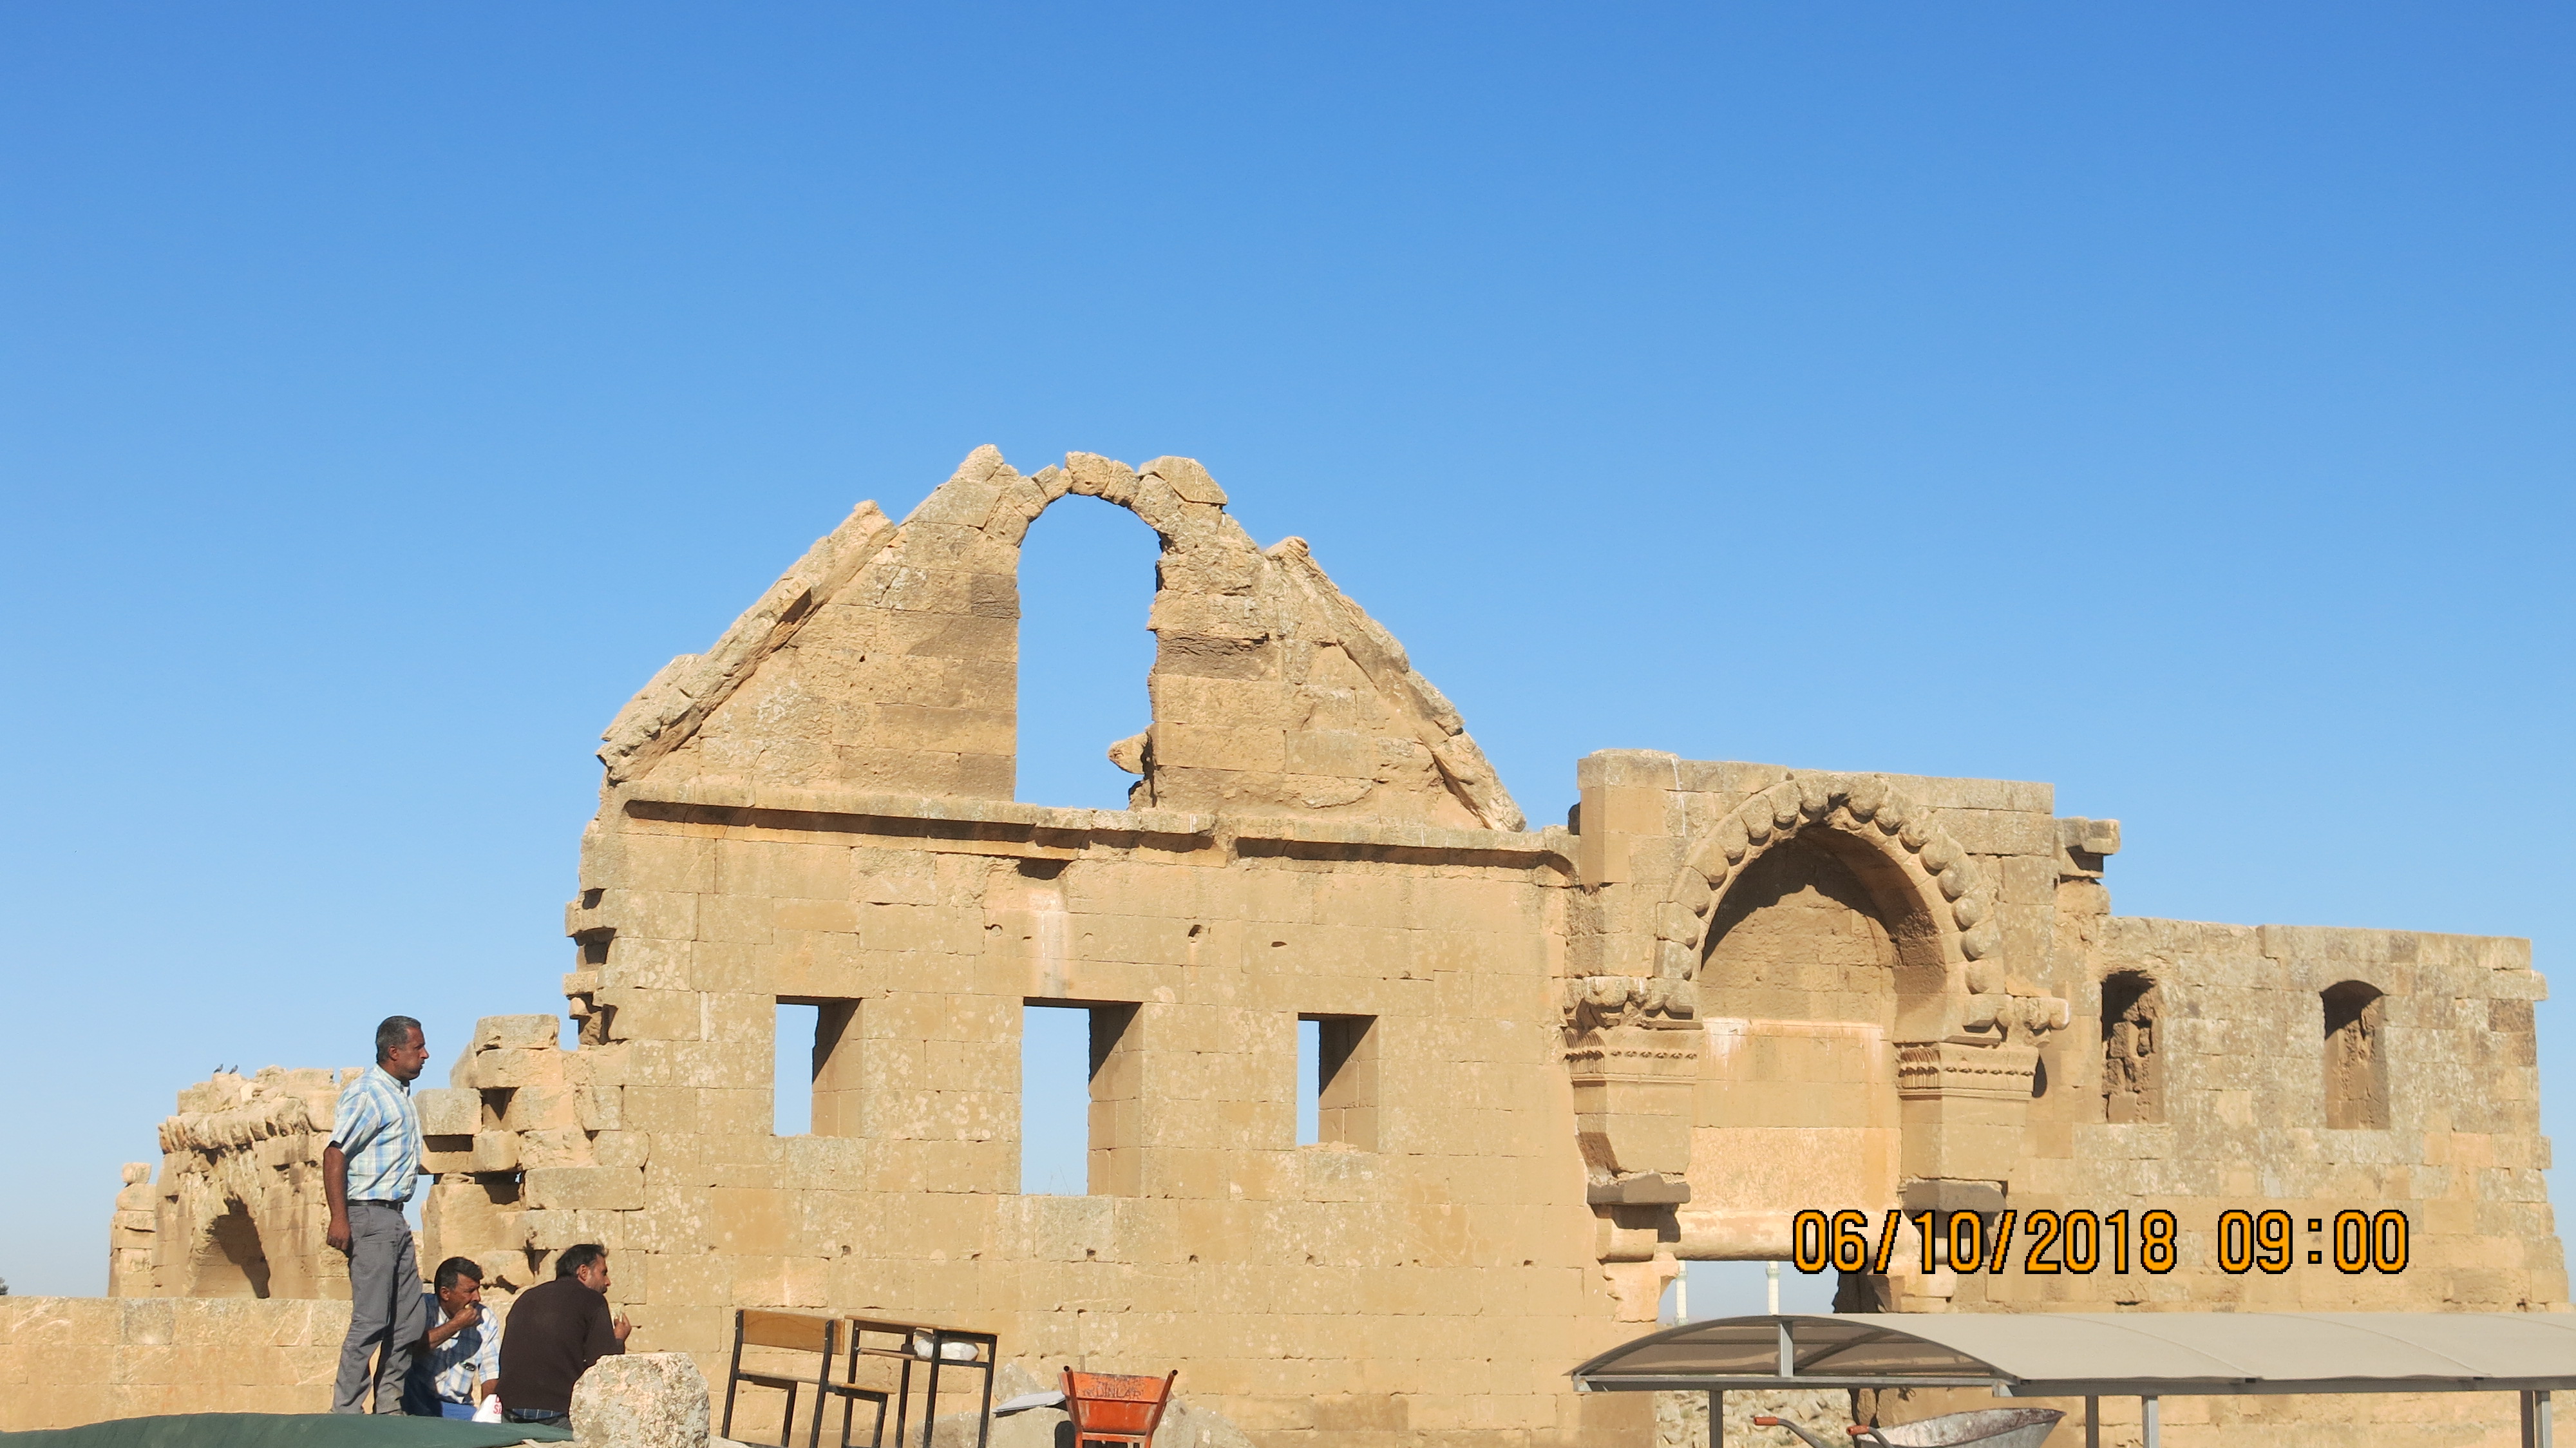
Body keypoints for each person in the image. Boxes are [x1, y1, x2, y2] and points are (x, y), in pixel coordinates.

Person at [325, 1015, 430, 1414]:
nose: (425, 1054)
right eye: (418, 1047)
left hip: (395, 1217)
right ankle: (346, 1413)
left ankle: (389, 1407)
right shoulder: (369, 1093)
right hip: (369, 1214)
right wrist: (341, 1217)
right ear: (394, 1051)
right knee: (370, 1321)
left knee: (409, 1320)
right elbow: (335, 1153)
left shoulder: (399, 1094)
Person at [497, 1243, 630, 1425]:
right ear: (584, 1272)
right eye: (603, 1273)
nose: (608, 1282)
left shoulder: (527, 1297)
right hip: (557, 1412)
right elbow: (603, 1366)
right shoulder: (593, 1300)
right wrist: (619, 1339)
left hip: (510, 1410)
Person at [402, 1256, 502, 1419]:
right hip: (417, 1397)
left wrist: (487, 1415)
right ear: (445, 1293)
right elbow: (408, 1350)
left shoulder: (486, 1319)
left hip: (456, 1406)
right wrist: (455, 1325)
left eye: (478, 1289)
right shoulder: (422, 1308)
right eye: (470, 1291)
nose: (477, 1298)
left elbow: (491, 1374)